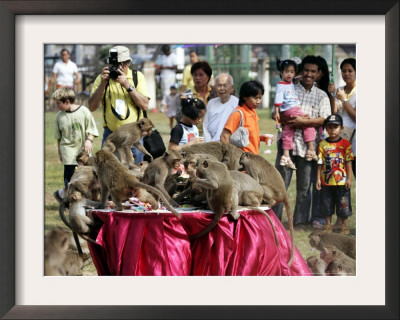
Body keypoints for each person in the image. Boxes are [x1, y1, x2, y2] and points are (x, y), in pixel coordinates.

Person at [272, 56, 331, 227]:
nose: (309, 74)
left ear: (319, 74)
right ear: (300, 70)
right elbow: (273, 114)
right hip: (287, 146)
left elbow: (324, 119)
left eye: (313, 71)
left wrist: (304, 122)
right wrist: (290, 119)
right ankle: (274, 221)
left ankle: (299, 222)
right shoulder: (288, 87)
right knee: (280, 185)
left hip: (308, 148)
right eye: (306, 70)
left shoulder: (322, 96)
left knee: (304, 188)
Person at [88, 45, 150, 164]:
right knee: (109, 173)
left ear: (128, 63)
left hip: (134, 134)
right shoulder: (102, 78)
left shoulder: (137, 77)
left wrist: (127, 85)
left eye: (121, 64)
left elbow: (145, 105)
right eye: (114, 65)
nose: (117, 68)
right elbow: (92, 107)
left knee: (135, 175)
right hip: (111, 135)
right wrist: (102, 84)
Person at [53, 87, 99, 203]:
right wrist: (60, 152)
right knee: (70, 179)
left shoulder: (84, 111)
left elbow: (92, 130)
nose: (57, 106)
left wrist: (89, 140)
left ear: (67, 102)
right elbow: (59, 138)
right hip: (68, 152)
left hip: (83, 153)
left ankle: (62, 194)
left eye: (58, 103)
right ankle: (70, 201)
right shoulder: (59, 116)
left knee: (87, 177)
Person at [274, 59, 319, 170]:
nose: (289, 74)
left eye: (292, 72)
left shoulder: (290, 83)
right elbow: (278, 99)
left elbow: (299, 79)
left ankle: (285, 155)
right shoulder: (281, 85)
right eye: (287, 72)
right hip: (292, 109)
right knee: (308, 124)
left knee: (287, 132)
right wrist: (276, 111)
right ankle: (311, 149)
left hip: (287, 110)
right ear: (281, 73)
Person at [316, 114, 353, 235]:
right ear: (326, 128)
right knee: (327, 204)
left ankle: (345, 225)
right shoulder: (322, 144)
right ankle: (328, 225)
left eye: (335, 127)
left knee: (343, 204)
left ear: (341, 128)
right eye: (330, 127)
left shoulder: (346, 144)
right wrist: (318, 179)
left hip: (341, 182)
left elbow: (348, 162)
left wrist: (349, 179)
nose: (332, 129)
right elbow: (320, 162)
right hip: (326, 181)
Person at [220, 80, 268, 155]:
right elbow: (224, 137)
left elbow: (247, 137)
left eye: (260, 98)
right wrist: (231, 156)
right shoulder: (238, 114)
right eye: (255, 98)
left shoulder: (253, 112)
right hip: (242, 160)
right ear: (245, 97)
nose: (258, 101)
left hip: (253, 158)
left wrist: (261, 138)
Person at [329, 58, 356, 177]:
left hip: (355, 141)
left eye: (350, 71)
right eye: (344, 71)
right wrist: (332, 96)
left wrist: (344, 99)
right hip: (340, 140)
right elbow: (334, 114)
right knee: (340, 177)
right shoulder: (339, 90)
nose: (346, 74)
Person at [203, 73, 238, 142]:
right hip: (212, 145)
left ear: (232, 87)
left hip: (230, 144)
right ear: (215, 87)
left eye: (225, 85)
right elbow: (205, 127)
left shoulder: (237, 104)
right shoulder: (211, 103)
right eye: (219, 85)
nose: (222, 88)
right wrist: (209, 144)